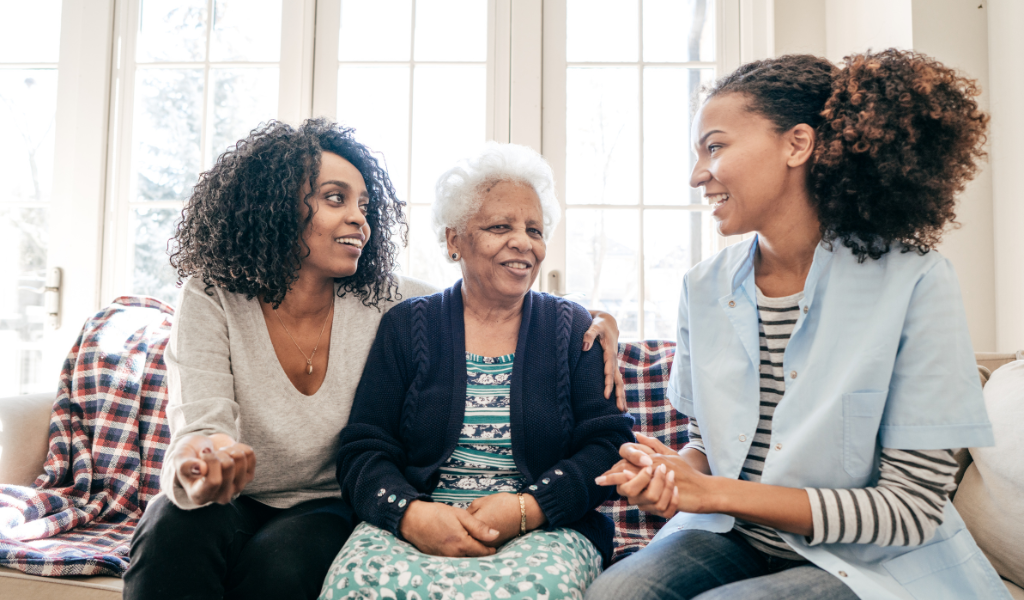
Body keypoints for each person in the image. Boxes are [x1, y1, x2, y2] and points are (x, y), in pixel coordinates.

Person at [122, 120, 625, 600]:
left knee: (281, 567)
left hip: (322, 504)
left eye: (364, 204)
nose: (359, 217)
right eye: (335, 199)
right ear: (274, 205)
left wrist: (598, 321)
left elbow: (485, 297)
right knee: (170, 529)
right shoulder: (213, 296)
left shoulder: (382, 298)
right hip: (232, 496)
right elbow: (200, 425)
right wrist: (201, 460)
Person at [587, 50, 1008, 600]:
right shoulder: (702, 287)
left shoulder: (917, 283)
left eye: (715, 147)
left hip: (871, 561)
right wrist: (671, 476)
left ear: (797, 144)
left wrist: (713, 493)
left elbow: (908, 510)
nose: (697, 176)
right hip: (733, 536)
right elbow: (707, 445)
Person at [319, 143, 636, 599]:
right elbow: (365, 449)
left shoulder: (572, 329)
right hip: (421, 522)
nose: (523, 242)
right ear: (454, 241)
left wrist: (529, 508)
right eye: (499, 227)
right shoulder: (408, 326)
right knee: (356, 585)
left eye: (534, 229)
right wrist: (411, 515)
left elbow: (608, 444)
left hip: (542, 529)